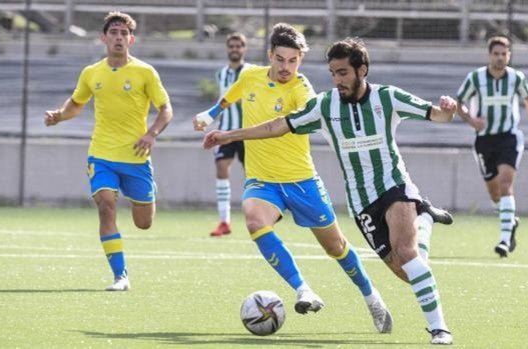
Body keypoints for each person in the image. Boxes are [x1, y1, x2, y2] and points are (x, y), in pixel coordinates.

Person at [203, 38, 455, 345]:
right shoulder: (325, 105)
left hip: (393, 186)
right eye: (333, 73)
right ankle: (424, 221)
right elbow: (276, 126)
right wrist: (228, 135)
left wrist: (448, 110)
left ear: (362, 70)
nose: (337, 81)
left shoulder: (388, 97)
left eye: (343, 73)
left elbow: (437, 116)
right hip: (360, 200)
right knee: (407, 271)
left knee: (405, 253)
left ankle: (439, 329)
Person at [193, 24, 393, 333]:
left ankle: (371, 298)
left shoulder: (302, 89)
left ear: (300, 60)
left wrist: (228, 134)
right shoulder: (249, 78)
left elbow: (289, 121)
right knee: (255, 221)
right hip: (262, 180)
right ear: (270, 55)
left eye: (293, 60)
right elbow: (228, 98)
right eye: (281, 59)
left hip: (302, 181)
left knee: (336, 247)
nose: (286, 67)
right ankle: (303, 288)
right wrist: (210, 114)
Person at [44, 11, 173, 291]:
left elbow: (165, 109)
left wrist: (151, 134)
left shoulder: (145, 72)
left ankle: (143, 197)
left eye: (123, 33)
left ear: (131, 39)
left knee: (144, 223)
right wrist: (59, 115)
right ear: (104, 38)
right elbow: (76, 103)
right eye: (113, 32)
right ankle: (120, 276)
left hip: (136, 157)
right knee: (105, 205)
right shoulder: (92, 73)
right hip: (101, 154)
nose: (118, 37)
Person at [455, 36, 528, 258]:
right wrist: (472, 121)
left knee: (506, 184)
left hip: (509, 137)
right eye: (496, 54)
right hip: (484, 140)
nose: (500, 58)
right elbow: (459, 102)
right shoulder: (476, 78)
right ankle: (511, 220)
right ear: (490, 55)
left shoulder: (517, 78)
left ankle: (504, 240)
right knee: (494, 192)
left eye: (504, 54)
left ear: (509, 55)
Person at [208, 32, 251, 237]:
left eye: (239, 46)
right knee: (221, 167)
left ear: (244, 49)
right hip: (226, 130)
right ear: (228, 49)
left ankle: (260, 215)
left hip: (247, 131)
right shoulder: (220, 74)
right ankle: (224, 221)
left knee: (253, 174)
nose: (235, 49)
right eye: (232, 46)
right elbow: (221, 102)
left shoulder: (251, 72)